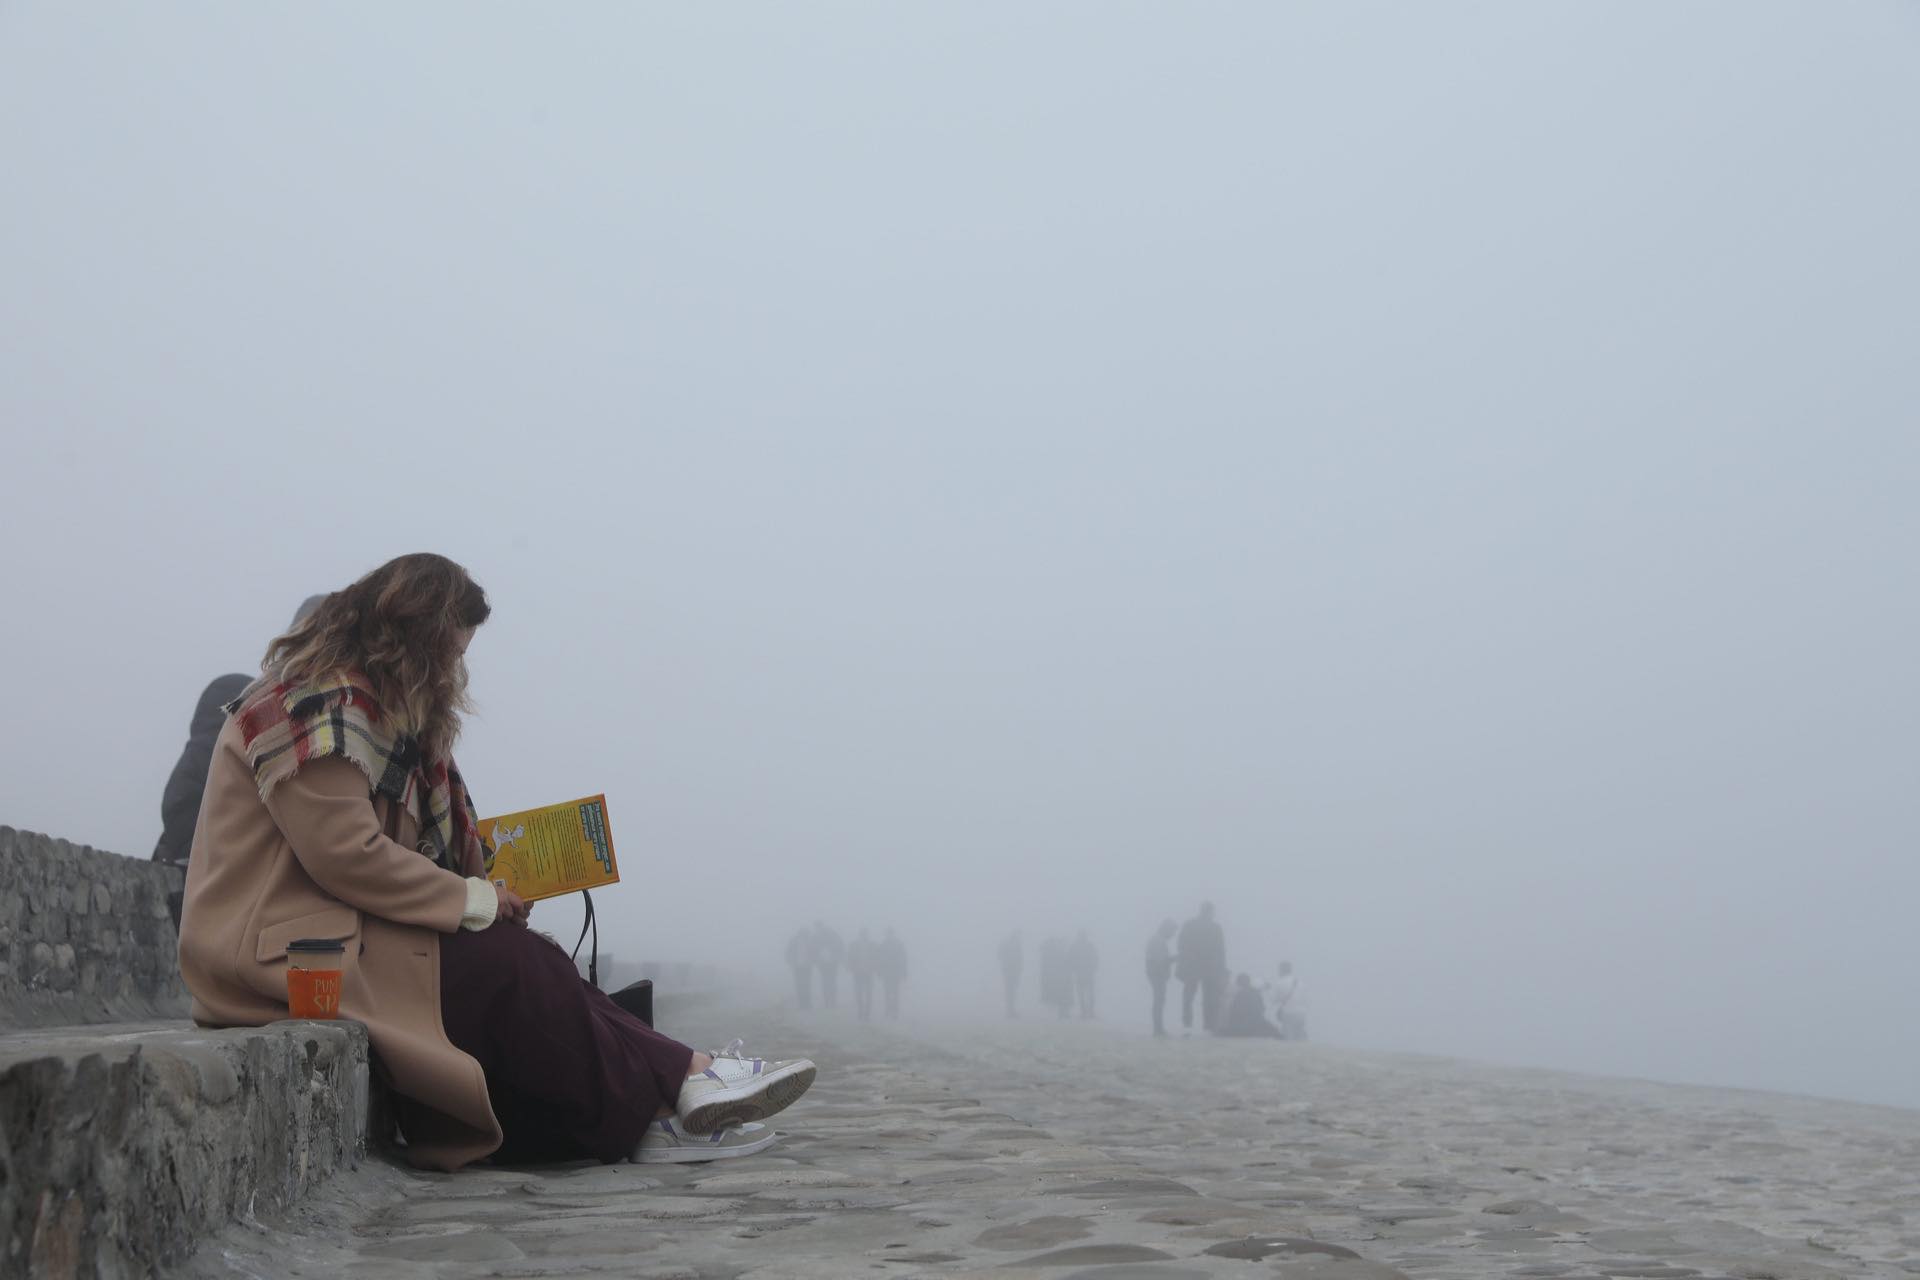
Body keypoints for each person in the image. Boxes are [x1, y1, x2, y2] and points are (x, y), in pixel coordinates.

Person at [177, 554, 815, 1169]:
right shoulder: (311, 705)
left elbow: (395, 855)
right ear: (411, 635)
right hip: (279, 958)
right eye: (448, 649)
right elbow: (348, 856)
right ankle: (660, 1108)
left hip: (337, 937)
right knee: (514, 967)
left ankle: (685, 1081)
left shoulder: (378, 719)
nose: (455, 667)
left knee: (529, 958)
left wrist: (490, 887)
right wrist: (474, 900)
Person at [1176, 902, 1228, 1034]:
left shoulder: (1189, 925)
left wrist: (1183, 964)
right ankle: (1208, 1025)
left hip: (1192, 967)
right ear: (1210, 912)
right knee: (1209, 998)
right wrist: (1222, 969)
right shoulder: (1216, 928)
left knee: (1188, 997)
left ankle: (1187, 1024)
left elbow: (1181, 945)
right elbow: (1221, 950)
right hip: (1210, 968)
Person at [1216, 973, 1283, 1038]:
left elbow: (1235, 1011)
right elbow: (1262, 1008)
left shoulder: (1239, 994)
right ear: (1248, 982)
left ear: (1238, 983)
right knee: (1275, 1033)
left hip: (1241, 1026)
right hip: (1255, 1023)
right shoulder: (1254, 993)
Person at [1144, 919, 1176, 1037]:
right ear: (1166, 930)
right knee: (1159, 1000)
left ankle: (1158, 1027)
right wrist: (1176, 958)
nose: (1172, 935)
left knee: (1159, 1000)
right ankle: (1158, 1028)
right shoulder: (1158, 941)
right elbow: (1161, 960)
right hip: (1157, 974)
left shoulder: (1156, 940)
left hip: (1155, 973)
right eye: (1172, 932)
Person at [1038, 936, 1073, 1020]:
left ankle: (1063, 1012)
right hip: (1061, 978)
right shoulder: (1057, 953)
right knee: (1063, 995)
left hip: (1060, 978)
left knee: (1062, 995)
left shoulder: (1049, 953)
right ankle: (1063, 1013)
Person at [875, 928, 907, 1019]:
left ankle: (893, 1011)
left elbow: (903, 959)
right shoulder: (885, 945)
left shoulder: (891, 945)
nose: (889, 935)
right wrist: (879, 971)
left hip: (893, 972)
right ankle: (890, 1010)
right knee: (889, 992)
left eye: (889, 934)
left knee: (893, 992)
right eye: (888, 934)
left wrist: (904, 972)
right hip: (889, 972)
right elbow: (879, 959)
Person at [812, 921, 845, 1009]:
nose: (817, 929)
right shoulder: (817, 937)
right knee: (827, 981)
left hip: (831, 962)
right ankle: (829, 1001)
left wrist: (837, 956)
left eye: (817, 927)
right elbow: (813, 950)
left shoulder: (829, 934)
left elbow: (840, 945)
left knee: (829, 981)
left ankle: (831, 1001)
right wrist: (816, 960)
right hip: (824, 962)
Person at [847, 928, 876, 1021]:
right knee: (859, 993)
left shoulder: (872, 945)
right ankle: (860, 1011)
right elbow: (850, 957)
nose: (864, 936)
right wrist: (851, 967)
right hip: (858, 972)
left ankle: (867, 1013)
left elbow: (877, 958)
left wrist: (875, 967)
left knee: (868, 993)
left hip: (868, 972)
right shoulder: (854, 945)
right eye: (862, 934)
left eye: (865, 934)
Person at [1068, 930, 1098, 1019]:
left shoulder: (1076, 946)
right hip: (1087, 973)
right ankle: (1089, 1012)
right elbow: (1095, 957)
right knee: (1089, 993)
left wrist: (1073, 968)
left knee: (1083, 993)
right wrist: (1094, 967)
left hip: (1082, 973)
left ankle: (1085, 1012)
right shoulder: (1089, 946)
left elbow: (1070, 958)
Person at [785, 928, 816, 1010]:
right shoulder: (794, 941)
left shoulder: (809, 942)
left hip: (806, 966)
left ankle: (807, 1004)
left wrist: (812, 961)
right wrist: (791, 962)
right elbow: (788, 953)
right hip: (798, 966)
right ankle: (803, 1004)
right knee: (800, 985)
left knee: (805, 985)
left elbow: (813, 953)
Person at [997, 929, 1023, 1018]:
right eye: (1019, 935)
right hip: (1010, 971)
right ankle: (1010, 1011)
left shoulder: (1015, 944)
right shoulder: (1012, 944)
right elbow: (999, 955)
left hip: (1012, 971)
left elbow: (1019, 958)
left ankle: (1010, 1010)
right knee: (1010, 991)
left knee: (1011, 991)